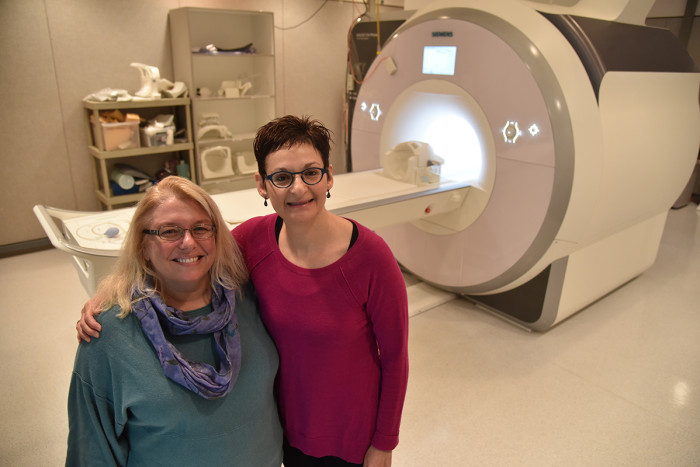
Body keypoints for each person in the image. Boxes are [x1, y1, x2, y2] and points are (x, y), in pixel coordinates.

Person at [79, 115, 409, 467]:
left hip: (348, 437)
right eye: (282, 178)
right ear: (262, 185)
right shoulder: (251, 242)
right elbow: (186, 260)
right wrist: (110, 296)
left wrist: (383, 444)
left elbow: (395, 359)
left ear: (328, 176)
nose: (298, 189)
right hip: (279, 430)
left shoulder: (371, 258)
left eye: (311, 173)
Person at [68, 176, 282, 466]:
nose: (188, 242)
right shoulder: (108, 334)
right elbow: (91, 449)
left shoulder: (250, 297)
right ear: (142, 246)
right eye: (169, 231)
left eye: (201, 228)